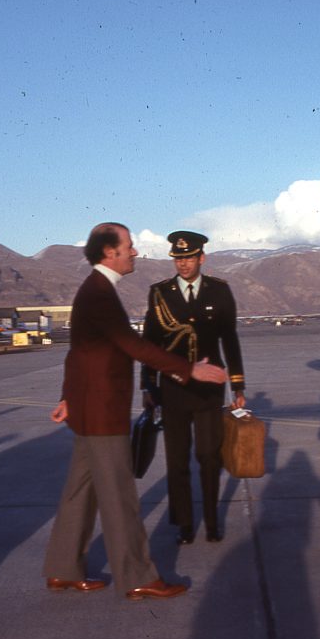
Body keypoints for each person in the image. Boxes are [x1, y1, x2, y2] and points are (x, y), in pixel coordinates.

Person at [44, 222, 226, 600]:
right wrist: (188, 368)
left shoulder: (95, 290)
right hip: (102, 410)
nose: (135, 252)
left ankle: (63, 568)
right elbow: (132, 344)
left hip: (88, 407)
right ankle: (138, 576)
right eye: (129, 246)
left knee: (81, 491)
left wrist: (67, 397)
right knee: (120, 496)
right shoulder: (98, 293)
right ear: (110, 252)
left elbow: (79, 352)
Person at [141, 230, 246, 544]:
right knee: (176, 460)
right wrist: (147, 386)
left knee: (209, 456)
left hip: (208, 390)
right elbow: (151, 343)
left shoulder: (219, 291)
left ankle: (212, 522)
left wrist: (238, 386)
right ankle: (185, 524)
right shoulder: (159, 293)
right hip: (172, 389)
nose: (183, 264)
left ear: (201, 258)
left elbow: (230, 339)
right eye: (178, 258)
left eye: (188, 258)